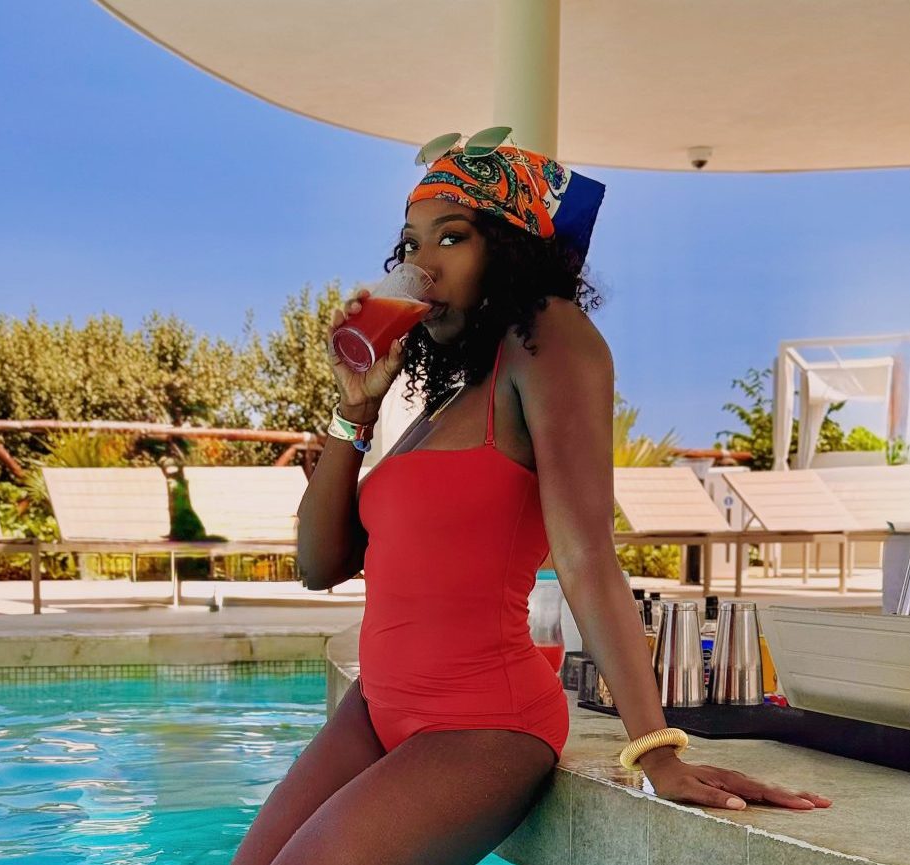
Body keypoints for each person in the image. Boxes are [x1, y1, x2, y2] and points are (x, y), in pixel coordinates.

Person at [231, 133, 831, 865]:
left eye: (452, 237)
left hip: (480, 723)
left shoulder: (548, 336)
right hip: (375, 711)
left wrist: (656, 749)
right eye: (411, 244)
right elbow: (318, 564)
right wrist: (354, 406)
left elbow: (586, 555)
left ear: (512, 250)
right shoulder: (441, 402)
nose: (423, 265)